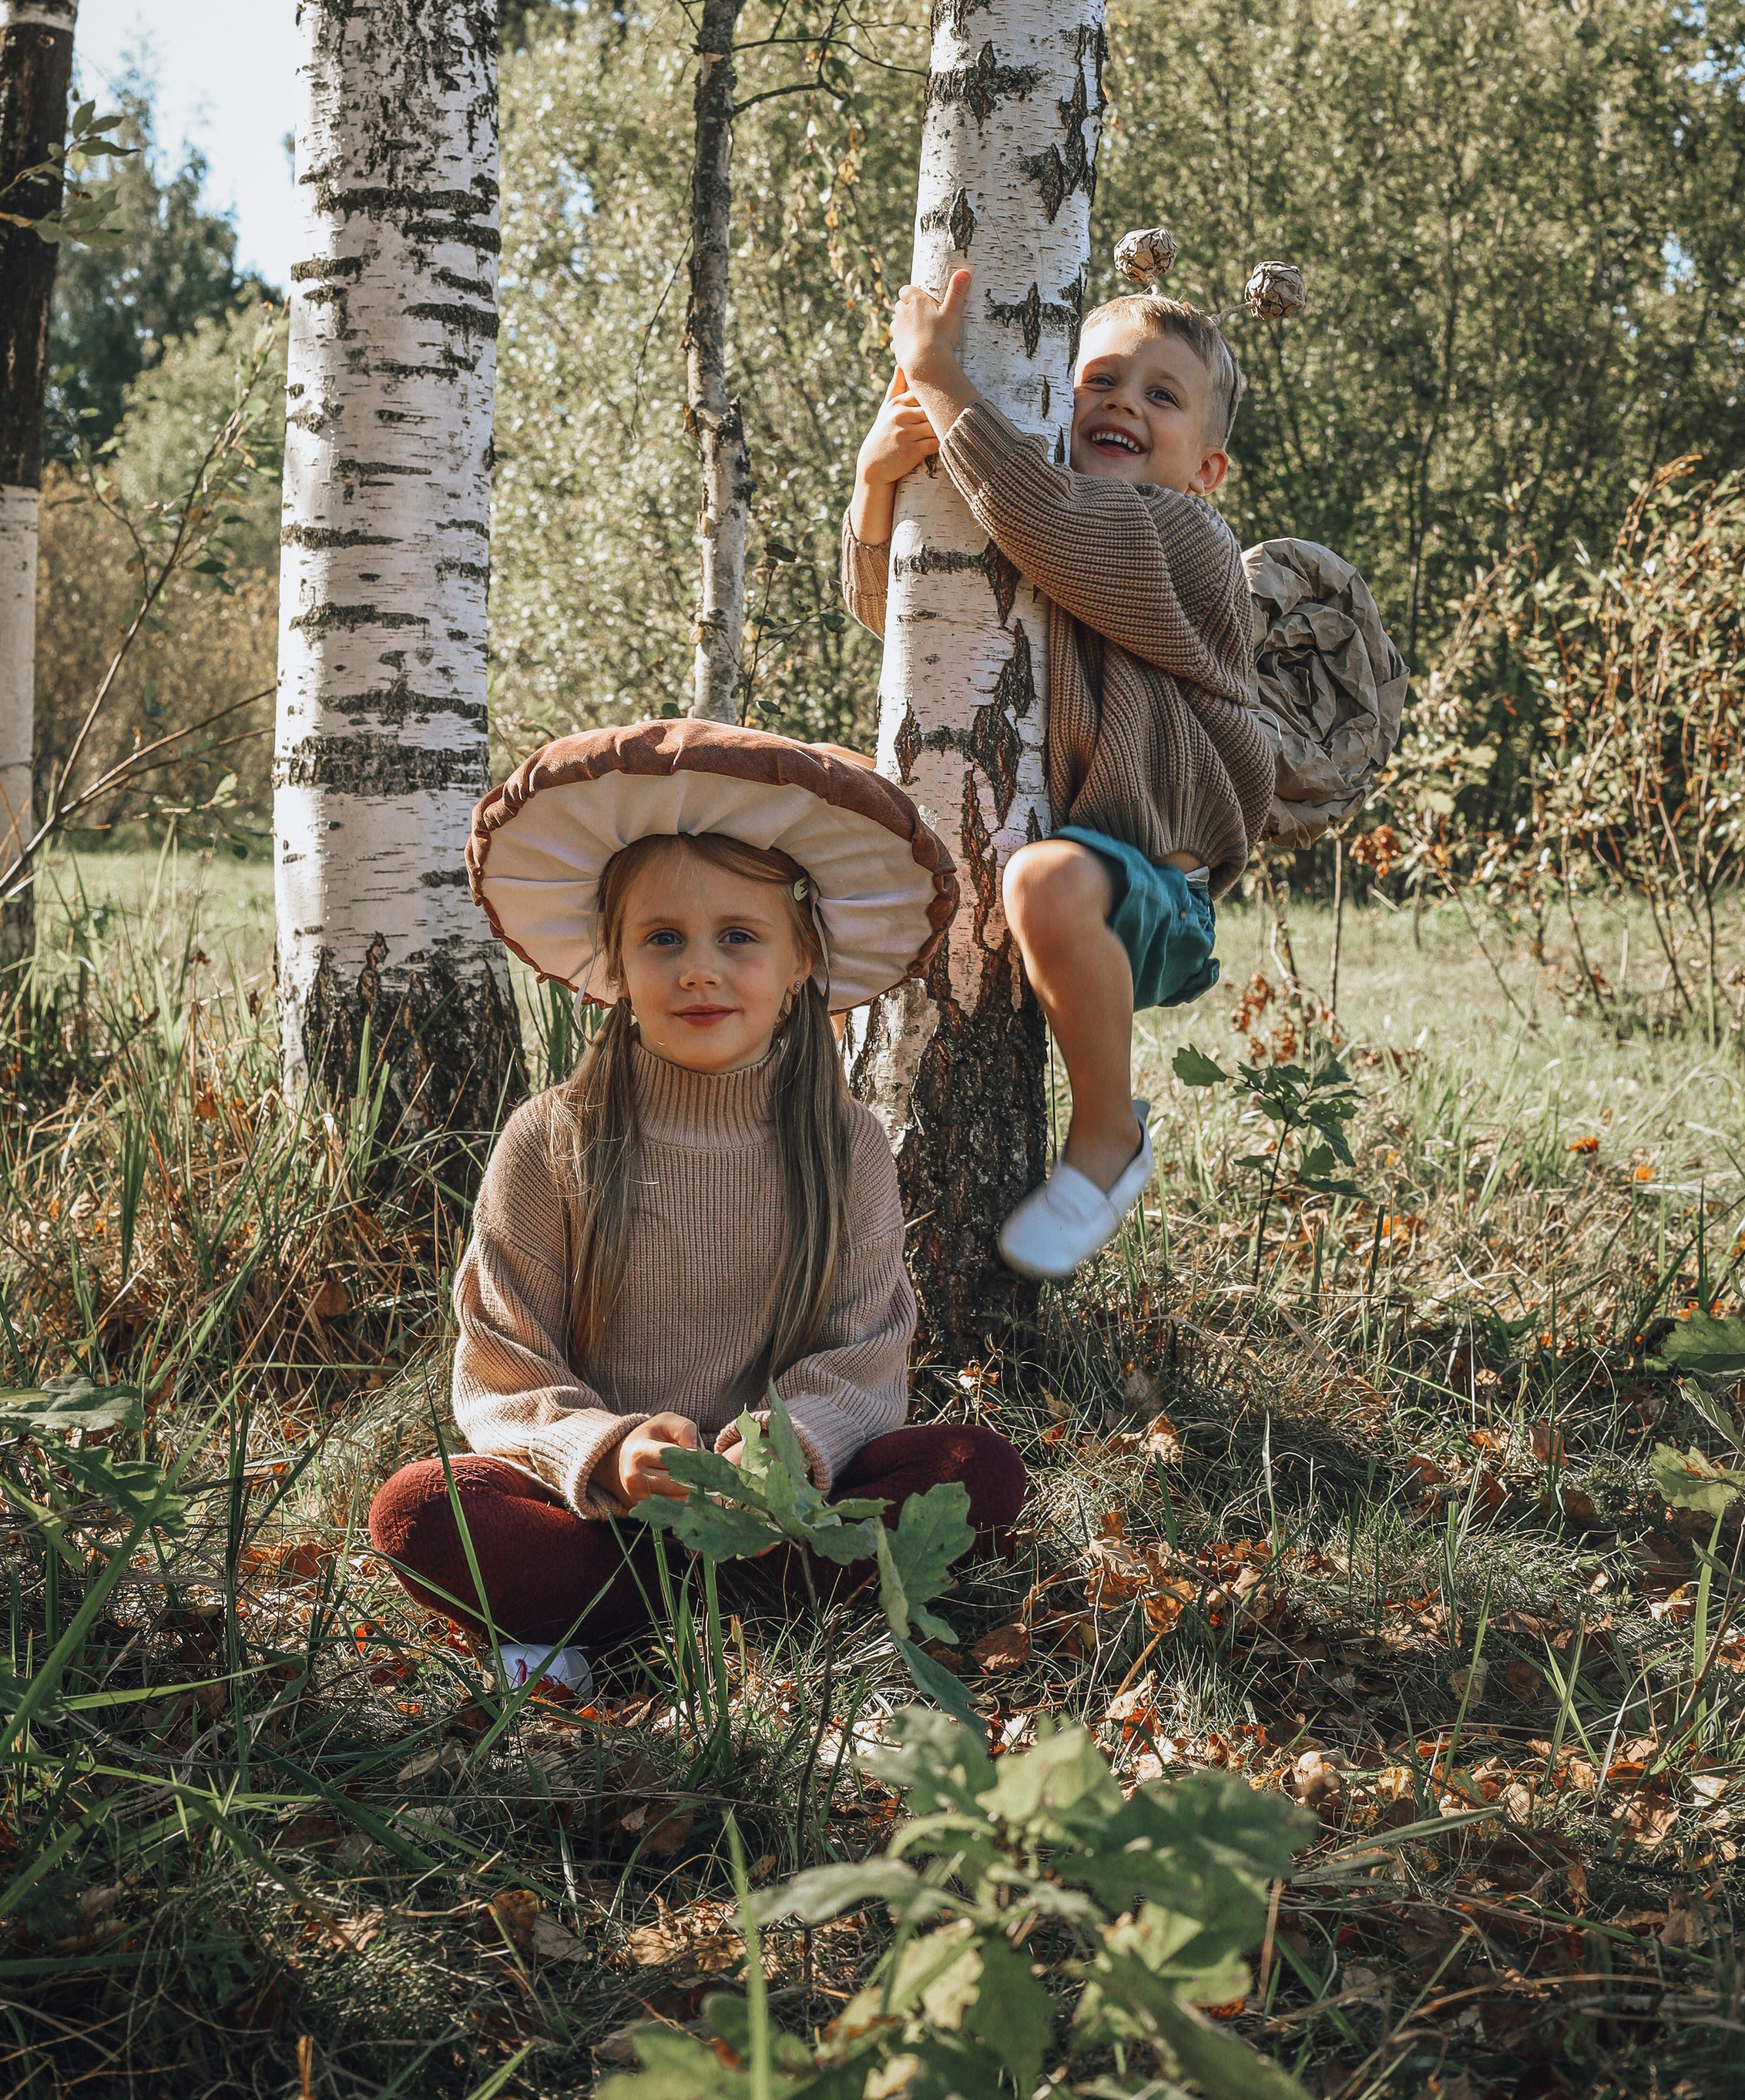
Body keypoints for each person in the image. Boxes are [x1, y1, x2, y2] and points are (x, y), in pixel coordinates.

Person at [367, 720, 1025, 1686]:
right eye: (663, 938)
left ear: (802, 960)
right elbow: (506, 1365)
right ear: (615, 962)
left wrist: (792, 1449)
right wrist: (609, 1451)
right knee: (420, 1510)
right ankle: (703, 1611)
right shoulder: (550, 1138)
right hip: (604, 1512)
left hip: (783, 1514)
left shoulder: (845, 1145)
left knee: (977, 1469)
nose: (699, 969)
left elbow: (865, 1351)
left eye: (739, 937)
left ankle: (622, 1624)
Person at [844, 268, 1275, 1282]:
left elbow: (1050, 521)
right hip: (1059, 877)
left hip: (1153, 891)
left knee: (1047, 879)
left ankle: (1109, 1137)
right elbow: (904, 625)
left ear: (1206, 469)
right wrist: (875, 487)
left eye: (1162, 395)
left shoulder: (1181, 538)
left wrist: (939, 378)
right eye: (1101, 380)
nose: (1125, 403)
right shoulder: (1052, 535)